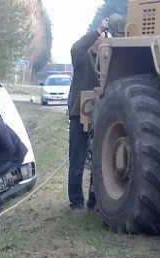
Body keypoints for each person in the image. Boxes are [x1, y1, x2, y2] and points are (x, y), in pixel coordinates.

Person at [67, 18, 110, 211]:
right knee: (77, 160)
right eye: (100, 38)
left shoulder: (106, 64)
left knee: (98, 160)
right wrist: (97, 30)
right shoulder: (82, 59)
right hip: (79, 115)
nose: (102, 41)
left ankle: (94, 199)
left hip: (98, 116)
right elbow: (76, 47)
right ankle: (76, 201)